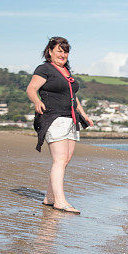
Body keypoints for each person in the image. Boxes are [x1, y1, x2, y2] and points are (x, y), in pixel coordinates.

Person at [26, 36, 93, 214]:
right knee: (60, 159)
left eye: (65, 51)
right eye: (59, 50)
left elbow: (73, 96)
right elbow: (31, 89)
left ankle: (49, 197)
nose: (63, 54)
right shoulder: (44, 69)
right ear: (50, 51)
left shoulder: (66, 71)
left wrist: (83, 114)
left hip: (70, 119)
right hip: (53, 118)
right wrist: (36, 101)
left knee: (65, 160)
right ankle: (60, 201)